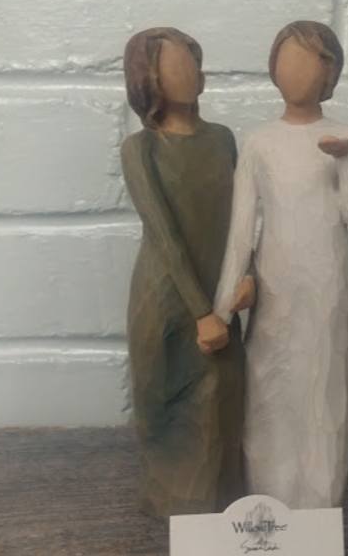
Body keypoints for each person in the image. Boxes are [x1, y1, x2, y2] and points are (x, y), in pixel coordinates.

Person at [213, 20, 348, 508]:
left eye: (309, 59)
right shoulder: (260, 142)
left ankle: (319, 508)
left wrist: (345, 161)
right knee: (270, 388)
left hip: (328, 288)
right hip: (275, 289)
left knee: (325, 390)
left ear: (330, 72)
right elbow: (240, 230)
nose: (295, 69)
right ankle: (268, 501)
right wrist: (222, 307)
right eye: (286, 58)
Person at [120, 27, 254, 517]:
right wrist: (201, 313)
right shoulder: (141, 149)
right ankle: (175, 502)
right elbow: (164, 234)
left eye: (192, 62)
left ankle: (224, 503)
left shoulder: (222, 139)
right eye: (175, 65)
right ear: (149, 78)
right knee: (168, 404)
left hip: (222, 295)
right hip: (167, 300)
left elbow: (243, 217)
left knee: (223, 400)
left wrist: (247, 275)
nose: (190, 73)